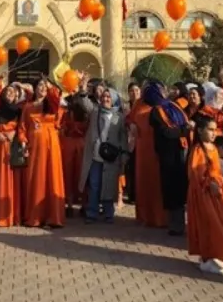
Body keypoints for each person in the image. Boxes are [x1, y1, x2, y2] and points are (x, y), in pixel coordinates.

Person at [186, 118, 223, 275]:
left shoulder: (214, 148)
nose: (213, 133)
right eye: (210, 129)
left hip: (217, 193)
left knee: (221, 224)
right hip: (203, 194)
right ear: (200, 130)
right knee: (210, 225)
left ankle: (213, 256)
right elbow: (194, 173)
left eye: (215, 129)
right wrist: (208, 184)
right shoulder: (198, 149)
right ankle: (207, 258)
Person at [18, 78, 67, 228]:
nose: (42, 88)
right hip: (34, 146)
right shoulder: (28, 107)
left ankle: (54, 217)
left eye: (45, 86)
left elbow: (57, 102)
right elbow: (22, 127)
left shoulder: (52, 105)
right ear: (35, 88)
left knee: (52, 176)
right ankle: (35, 216)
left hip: (51, 145)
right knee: (36, 178)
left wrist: (51, 86)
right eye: (40, 85)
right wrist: (23, 142)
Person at [145, 80, 190, 236]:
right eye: (161, 89)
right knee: (171, 189)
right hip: (168, 155)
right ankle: (174, 225)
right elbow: (167, 132)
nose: (165, 91)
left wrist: (183, 130)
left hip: (181, 151)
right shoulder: (156, 112)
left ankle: (180, 223)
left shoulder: (173, 106)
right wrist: (184, 129)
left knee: (180, 188)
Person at [79, 88, 127, 224]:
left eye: (108, 97)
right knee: (94, 185)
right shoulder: (95, 112)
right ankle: (92, 213)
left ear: (113, 100)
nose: (105, 99)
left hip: (111, 157)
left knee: (109, 185)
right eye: (104, 96)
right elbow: (84, 103)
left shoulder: (119, 116)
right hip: (95, 156)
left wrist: (124, 153)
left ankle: (108, 213)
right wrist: (83, 90)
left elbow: (123, 136)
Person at [0, 84, 26, 227]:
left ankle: (13, 215)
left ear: (16, 96)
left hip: (13, 147)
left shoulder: (20, 111)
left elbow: (23, 128)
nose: (9, 94)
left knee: (14, 179)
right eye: (7, 92)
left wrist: (15, 134)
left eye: (12, 92)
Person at [129, 83, 167, 228]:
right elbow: (130, 118)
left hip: (156, 147)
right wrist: (131, 125)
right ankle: (144, 216)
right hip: (142, 147)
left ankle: (158, 218)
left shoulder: (161, 104)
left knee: (155, 181)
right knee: (143, 181)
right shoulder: (139, 103)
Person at [62, 82, 92, 218]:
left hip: (80, 144)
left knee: (82, 174)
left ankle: (83, 204)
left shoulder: (87, 112)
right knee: (68, 174)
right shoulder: (65, 114)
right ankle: (68, 203)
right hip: (70, 144)